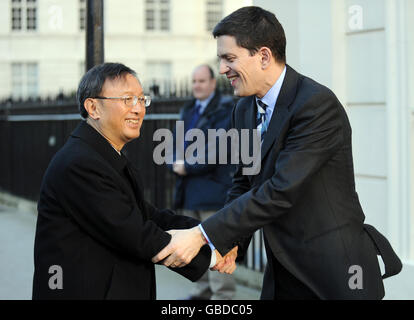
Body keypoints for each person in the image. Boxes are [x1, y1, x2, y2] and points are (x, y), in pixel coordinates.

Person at [152, 6, 402, 300]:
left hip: (337, 272)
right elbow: (243, 183)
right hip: (282, 268)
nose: (221, 69)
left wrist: (202, 234)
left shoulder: (316, 105)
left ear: (264, 56)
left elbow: (281, 190)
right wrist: (231, 242)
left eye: (229, 58)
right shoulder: (243, 109)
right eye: (220, 58)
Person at [32, 63, 235, 300]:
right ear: (93, 107)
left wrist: (211, 236)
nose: (138, 109)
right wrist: (212, 255)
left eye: (141, 99)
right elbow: (134, 232)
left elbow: (147, 214)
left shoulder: (102, 154)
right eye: (127, 99)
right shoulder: (79, 163)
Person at [169, 64, 237, 300]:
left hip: (214, 191)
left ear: (212, 83)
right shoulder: (188, 110)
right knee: (196, 248)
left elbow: (218, 148)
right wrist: (174, 161)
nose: (197, 85)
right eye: (194, 81)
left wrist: (187, 166)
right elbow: (176, 144)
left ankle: (222, 297)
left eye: (202, 81)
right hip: (189, 192)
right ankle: (201, 291)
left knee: (218, 247)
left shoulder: (226, 109)